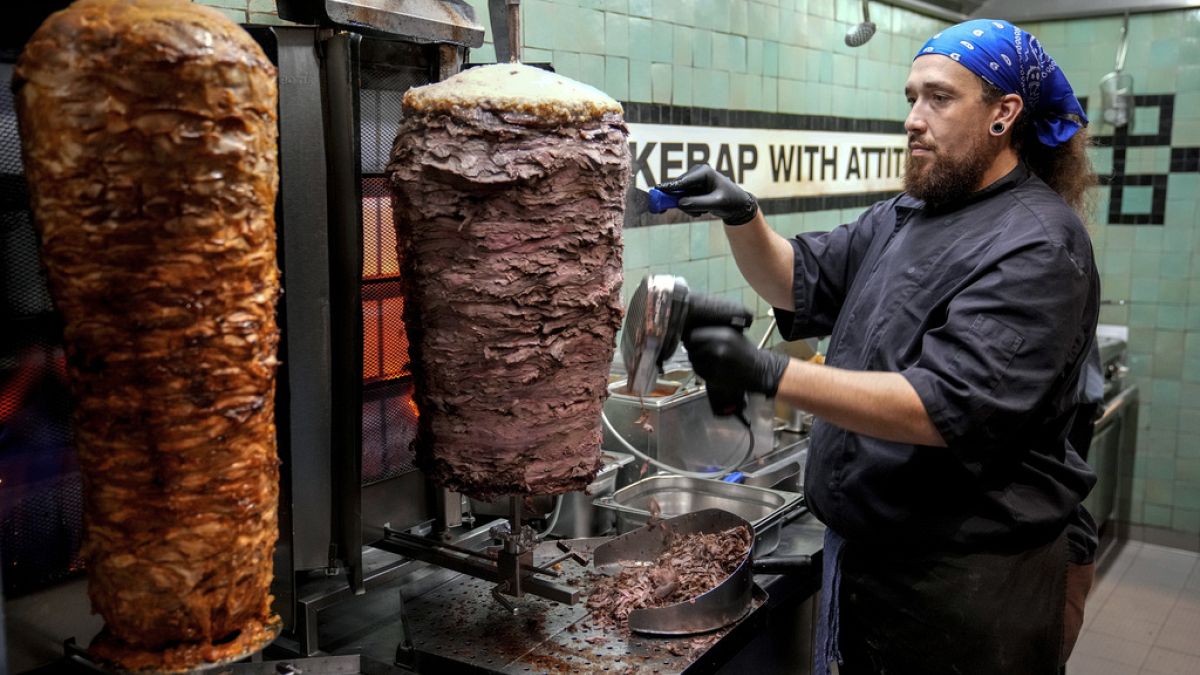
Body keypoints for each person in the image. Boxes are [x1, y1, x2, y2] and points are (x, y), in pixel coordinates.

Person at [658, 19, 1100, 675]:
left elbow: (940, 406)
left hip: (962, 589)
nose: (914, 119)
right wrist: (742, 215)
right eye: (911, 97)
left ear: (1005, 113)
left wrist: (766, 372)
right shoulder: (908, 215)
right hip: (874, 566)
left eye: (939, 98)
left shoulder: (1037, 242)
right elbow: (794, 277)